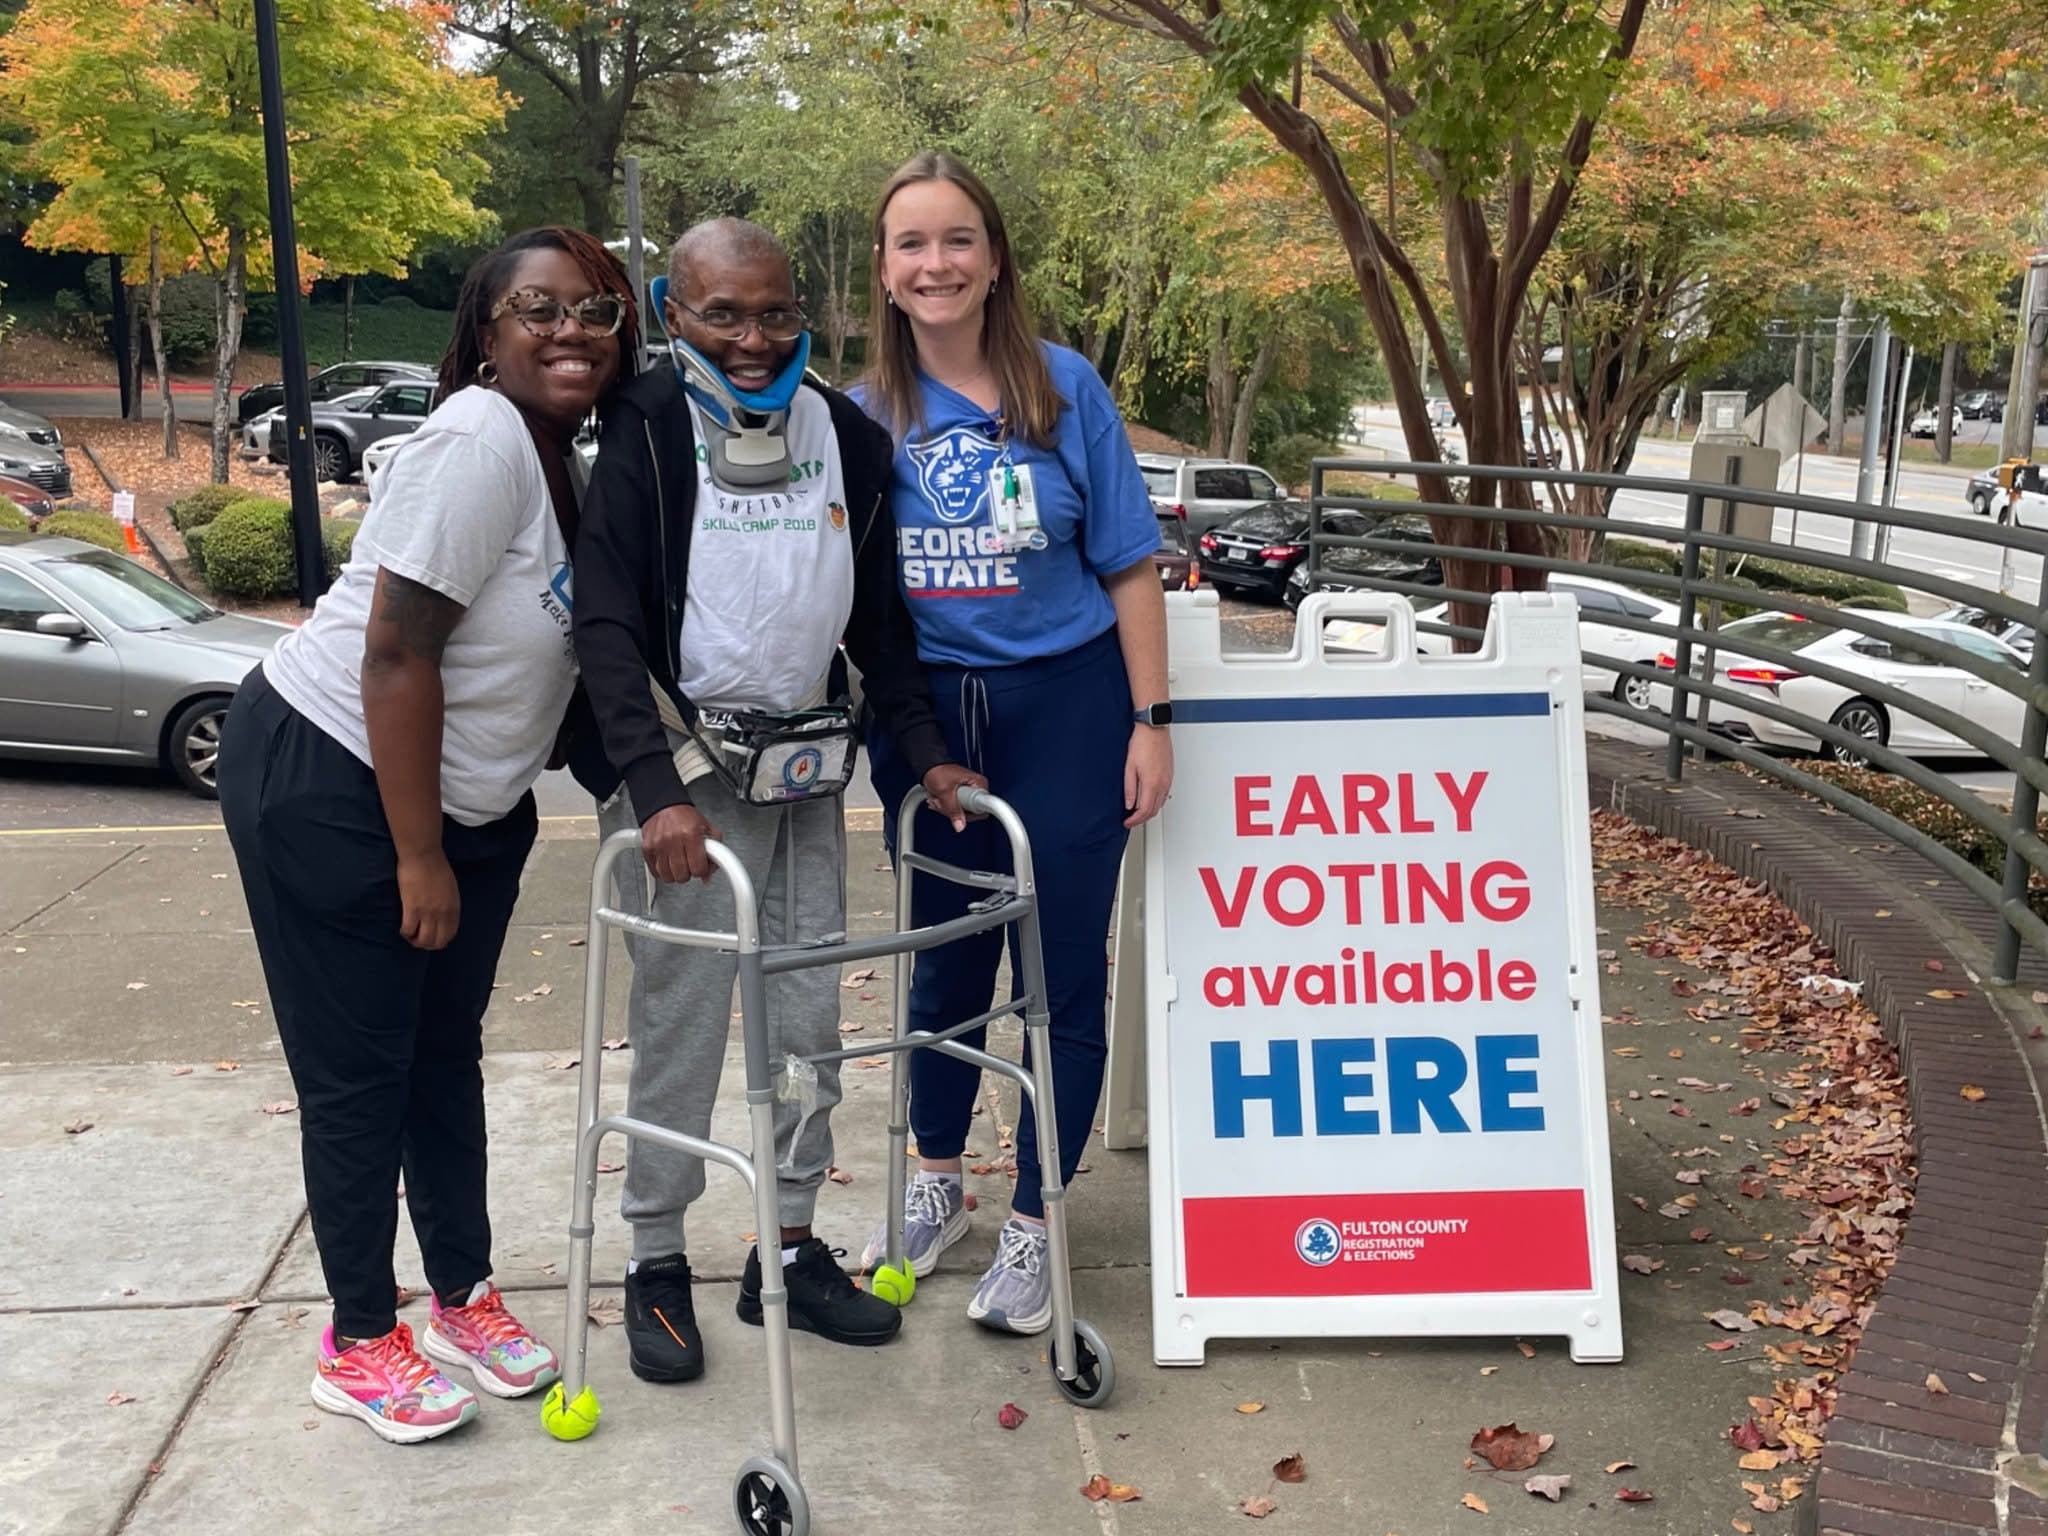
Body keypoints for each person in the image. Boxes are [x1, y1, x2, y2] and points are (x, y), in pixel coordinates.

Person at [215, 227, 639, 1443]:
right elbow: (395, 654)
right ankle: (358, 1338)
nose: (568, 330)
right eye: (537, 309)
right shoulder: (479, 438)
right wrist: (416, 856)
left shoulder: (561, 456)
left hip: (467, 806)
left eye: (595, 310)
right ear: (486, 334)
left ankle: (460, 1294)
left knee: (441, 1056)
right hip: (335, 779)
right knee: (361, 1076)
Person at [574, 217, 984, 1385]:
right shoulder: (644, 427)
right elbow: (604, 625)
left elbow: (880, 625)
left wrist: (926, 752)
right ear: (675, 312)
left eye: (773, 314)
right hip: (687, 780)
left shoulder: (844, 436)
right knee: (682, 1023)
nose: (751, 340)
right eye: (722, 315)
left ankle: (790, 1245)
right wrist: (653, 789)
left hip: (802, 770)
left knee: (807, 1028)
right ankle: (656, 1258)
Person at [856, 153, 1172, 1334]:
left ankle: (1037, 1222)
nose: (934, 263)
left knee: (1059, 972)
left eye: (957, 240)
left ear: (992, 260)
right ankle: (935, 1182)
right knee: (945, 968)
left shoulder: (1062, 388)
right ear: (883, 270)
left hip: (1069, 707)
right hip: (930, 721)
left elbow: (1128, 564)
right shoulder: (861, 416)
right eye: (911, 243)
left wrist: (1150, 720)